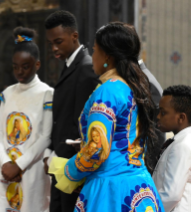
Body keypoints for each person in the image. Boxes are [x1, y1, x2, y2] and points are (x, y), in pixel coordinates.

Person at [49, 22, 164, 212]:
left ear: (107, 57)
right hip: (139, 186)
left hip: (111, 190)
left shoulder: (107, 91)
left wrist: (68, 171)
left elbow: (96, 149)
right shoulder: (134, 86)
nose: (92, 56)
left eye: (95, 50)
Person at [0, 27, 53, 212]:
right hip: (6, 170)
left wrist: (19, 165)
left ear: (37, 65)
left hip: (30, 170)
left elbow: (45, 136)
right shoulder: (8, 93)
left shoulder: (46, 94)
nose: (19, 72)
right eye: (15, 66)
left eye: (25, 66)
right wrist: (5, 162)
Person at [44, 10, 100, 211]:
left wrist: (57, 155)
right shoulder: (70, 65)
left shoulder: (86, 68)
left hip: (72, 165)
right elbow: (61, 117)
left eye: (58, 41)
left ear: (74, 36)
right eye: (51, 43)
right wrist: (51, 150)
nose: (54, 48)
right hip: (61, 162)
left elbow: (81, 125)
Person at [153, 85, 191, 212]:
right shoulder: (182, 141)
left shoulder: (182, 146)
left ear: (181, 118)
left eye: (163, 112)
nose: (158, 116)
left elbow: (171, 195)